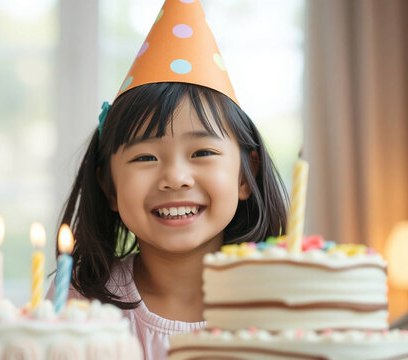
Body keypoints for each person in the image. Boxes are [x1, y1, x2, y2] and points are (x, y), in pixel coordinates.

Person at [47, 1, 288, 358]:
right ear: (108, 185)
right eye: (145, 157)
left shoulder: (284, 302)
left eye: (202, 153)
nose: (175, 178)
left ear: (245, 172)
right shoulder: (79, 301)